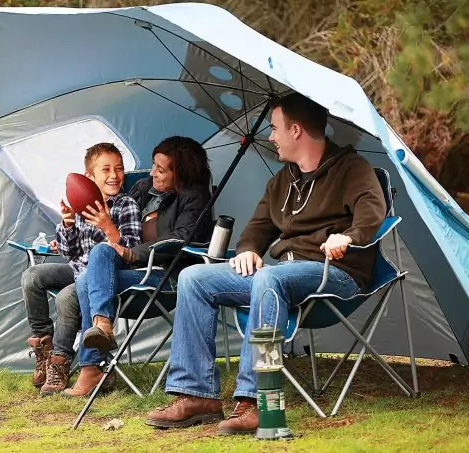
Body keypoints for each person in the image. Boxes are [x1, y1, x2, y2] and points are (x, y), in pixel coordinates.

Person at [144, 93, 386, 434]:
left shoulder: (352, 169)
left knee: (268, 280)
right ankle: (197, 395)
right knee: (195, 278)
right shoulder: (282, 180)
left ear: (297, 130)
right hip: (280, 273)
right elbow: (258, 227)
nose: (270, 136)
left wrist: (348, 236)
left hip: (336, 272)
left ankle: (255, 402)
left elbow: (372, 212)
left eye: (275, 128)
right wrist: (247, 249)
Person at [61, 135, 215, 397]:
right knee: (97, 258)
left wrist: (133, 254)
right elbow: (118, 219)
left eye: (160, 169)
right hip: (131, 273)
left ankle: (91, 366)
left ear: (180, 174)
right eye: (154, 165)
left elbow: (179, 240)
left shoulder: (196, 199)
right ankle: (101, 329)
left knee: (89, 278)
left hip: (164, 279)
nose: (152, 172)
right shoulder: (144, 189)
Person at [21, 142, 141, 395]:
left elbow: (134, 252)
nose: (114, 175)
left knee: (66, 296)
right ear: (89, 177)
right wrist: (66, 225)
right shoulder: (80, 204)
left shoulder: (126, 205)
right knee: (32, 276)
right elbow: (69, 253)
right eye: (106, 170)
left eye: (118, 169)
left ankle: (61, 361)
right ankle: (44, 346)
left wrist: (109, 227)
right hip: (76, 268)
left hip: (103, 276)